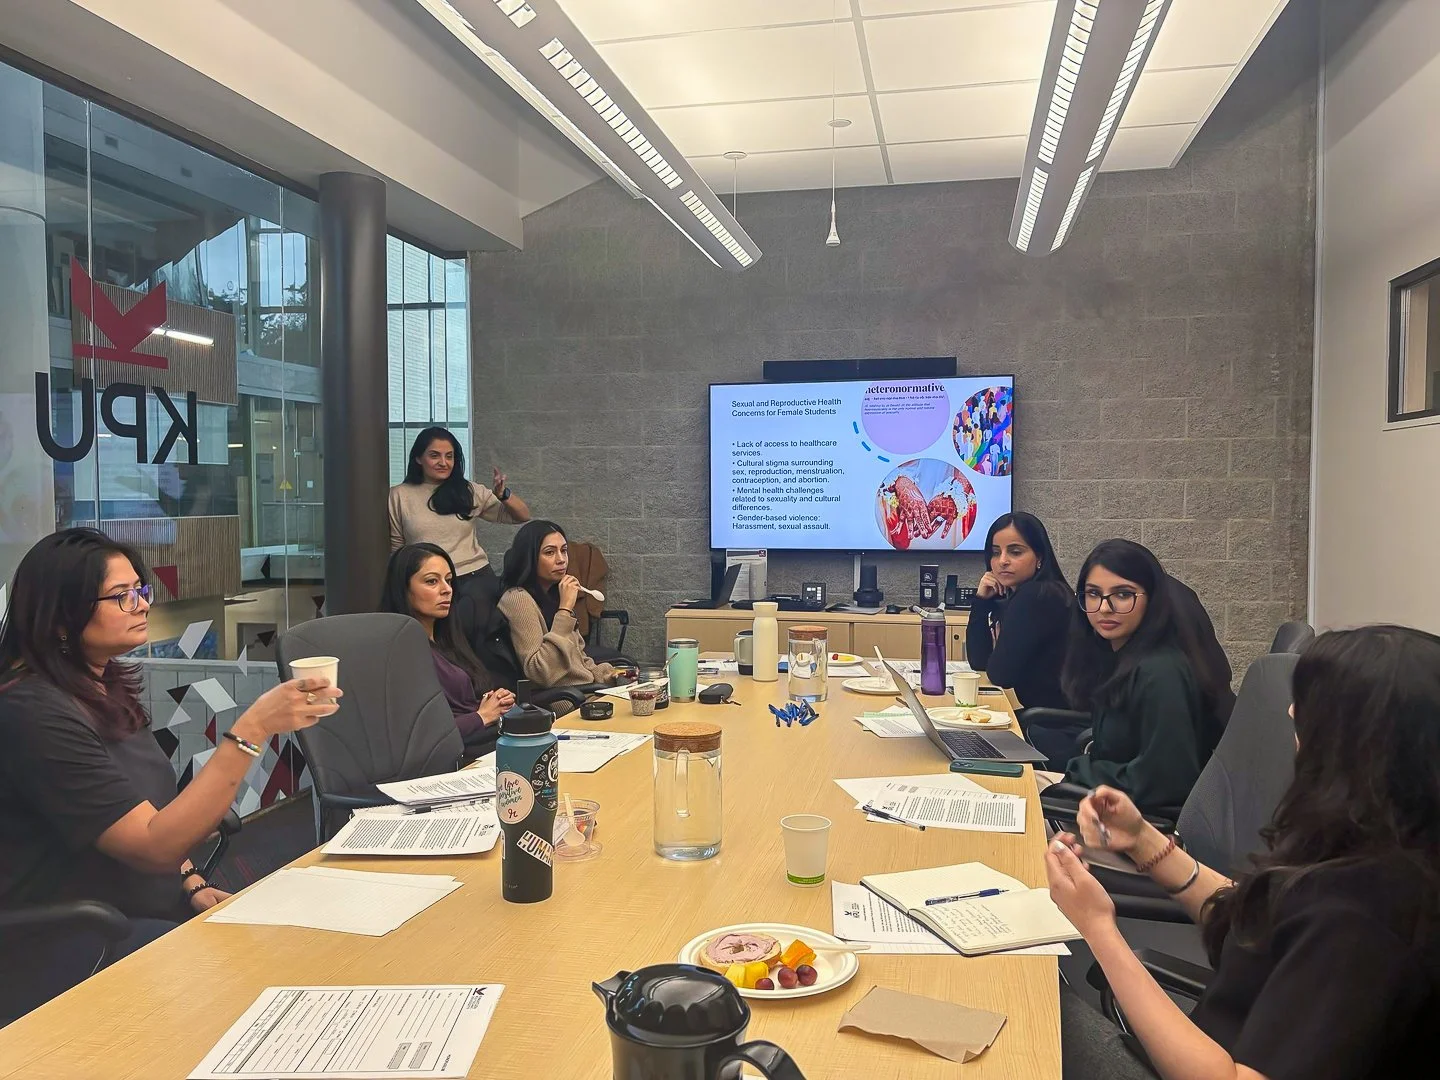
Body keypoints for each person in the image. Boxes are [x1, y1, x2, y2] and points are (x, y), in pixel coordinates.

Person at [1049, 625, 1440, 1080]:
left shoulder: (1361, 919)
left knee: (1031, 1011)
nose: (1292, 710)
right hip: (1216, 1042)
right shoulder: (1385, 844)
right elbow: (1255, 919)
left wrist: (1099, 930)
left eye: (1312, 702)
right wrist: (1144, 842)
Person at [0, 528, 339, 1019]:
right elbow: (152, 841)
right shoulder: (32, 711)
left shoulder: (102, 686)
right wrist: (254, 727)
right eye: (121, 596)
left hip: (145, 906)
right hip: (78, 936)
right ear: (59, 620)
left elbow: (148, 811)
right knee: (257, 995)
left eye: (141, 590)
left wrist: (191, 880)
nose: (140, 604)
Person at [1054, 539, 1225, 817]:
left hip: (1140, 826)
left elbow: (1166, 781)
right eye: (1093, 594)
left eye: (1123, 594)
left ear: (1152, 599)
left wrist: (1080, 769)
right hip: (1111, 802)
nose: (1104, 608)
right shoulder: (1120, 657)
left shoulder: (1160, 671)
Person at [387, 427, 531, 644]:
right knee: (440, 646)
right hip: (429, 582)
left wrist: (503, 495)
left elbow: (521, 515)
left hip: (475, 580)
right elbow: (397, 547)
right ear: (418, 458)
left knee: (481, 648)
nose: (443, 462)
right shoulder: (399, 495)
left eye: (449, 456)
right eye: (434, 455)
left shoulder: (468, 491)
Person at [380, 544, 515, 753]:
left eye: (449, 580)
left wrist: (492, 703)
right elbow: (418, 735)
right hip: (450, 761)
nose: (447, 589)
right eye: (432, 581)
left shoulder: (449, 639)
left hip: (482, 745)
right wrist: (483, 716)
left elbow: (465, 705)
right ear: (403, 588)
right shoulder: (401, 652)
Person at [965, 512, 1070, 710]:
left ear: (1039, 557)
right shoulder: (1035, 592)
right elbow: (979, 662)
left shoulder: (1036, 596)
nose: (1002, 561)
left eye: (1015, 552)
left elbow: (1000, 675)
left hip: (1054, 726)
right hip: (1045, 717)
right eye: (995, 553)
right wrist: (981, 602)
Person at [498, 521, 619, 689]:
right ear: (530, 558)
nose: (561, 560)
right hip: (562, 698)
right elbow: (539, 673)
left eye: (564, 551)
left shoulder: (554, 593)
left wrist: (611, 675)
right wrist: (565, 610)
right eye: (549, 553)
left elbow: (579, 660)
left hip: (584, 689)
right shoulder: (517, 599)